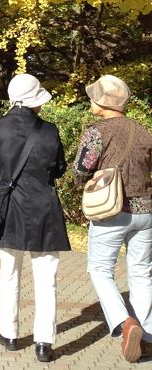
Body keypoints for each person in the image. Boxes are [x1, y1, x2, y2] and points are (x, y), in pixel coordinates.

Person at [0, 74, 70, 363]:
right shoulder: (50, 131)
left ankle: (9, 334)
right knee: (47, 279)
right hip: (45, 208)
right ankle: (44, 343)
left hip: (10, 209)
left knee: (9, 274)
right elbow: (59, 167)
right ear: (34, 100)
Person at [72, 75, 152, 363]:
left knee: (100, 270)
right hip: (146, 212)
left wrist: (86, 178)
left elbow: (81, 170)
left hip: (112, 212)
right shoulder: (143, 130)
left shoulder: (97, 131)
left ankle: (124, 323)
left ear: (102, 103)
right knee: (141, 273)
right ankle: (148, 337)